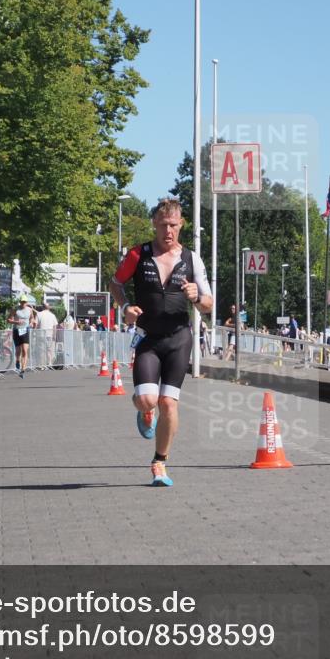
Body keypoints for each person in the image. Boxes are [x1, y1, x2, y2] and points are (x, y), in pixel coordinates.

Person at [109, 197, 212, 487]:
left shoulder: (192, 259)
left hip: (179, 338)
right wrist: (126, 307)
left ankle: (160, 462)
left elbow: (209, 303)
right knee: (147, 399)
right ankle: (145, 411)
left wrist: (197, 297)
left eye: (174, 226)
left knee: (169, 402)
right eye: (164, 225)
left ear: (181, 226)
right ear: (154, 224)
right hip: (148, 339)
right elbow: (115, 284)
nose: (169, 231)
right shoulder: (137, 255)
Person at [7, 294, 34, 377]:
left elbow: (32, 318)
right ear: (20, 302)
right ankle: (17, 361)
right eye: (22, 302)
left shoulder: (30, 310)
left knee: (25, 350)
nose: (23, 303)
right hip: (17, 330)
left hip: (25, 330)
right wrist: (16, 322)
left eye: (24, 302)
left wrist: (31, 322)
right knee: (18, 351)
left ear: (26, 302)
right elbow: (8, 320)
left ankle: (23, 369)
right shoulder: (15, 309)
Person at [37, 302, 59, 367]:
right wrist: (54, 335)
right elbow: (55, 326)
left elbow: (36, 325)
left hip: (40, 334)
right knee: (49, 350)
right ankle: (49, 363)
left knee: (41, 350)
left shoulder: (39, 314)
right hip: (50, 334)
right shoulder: (52, 315)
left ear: (42, 307)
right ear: (48, 308)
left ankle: (41, 365)